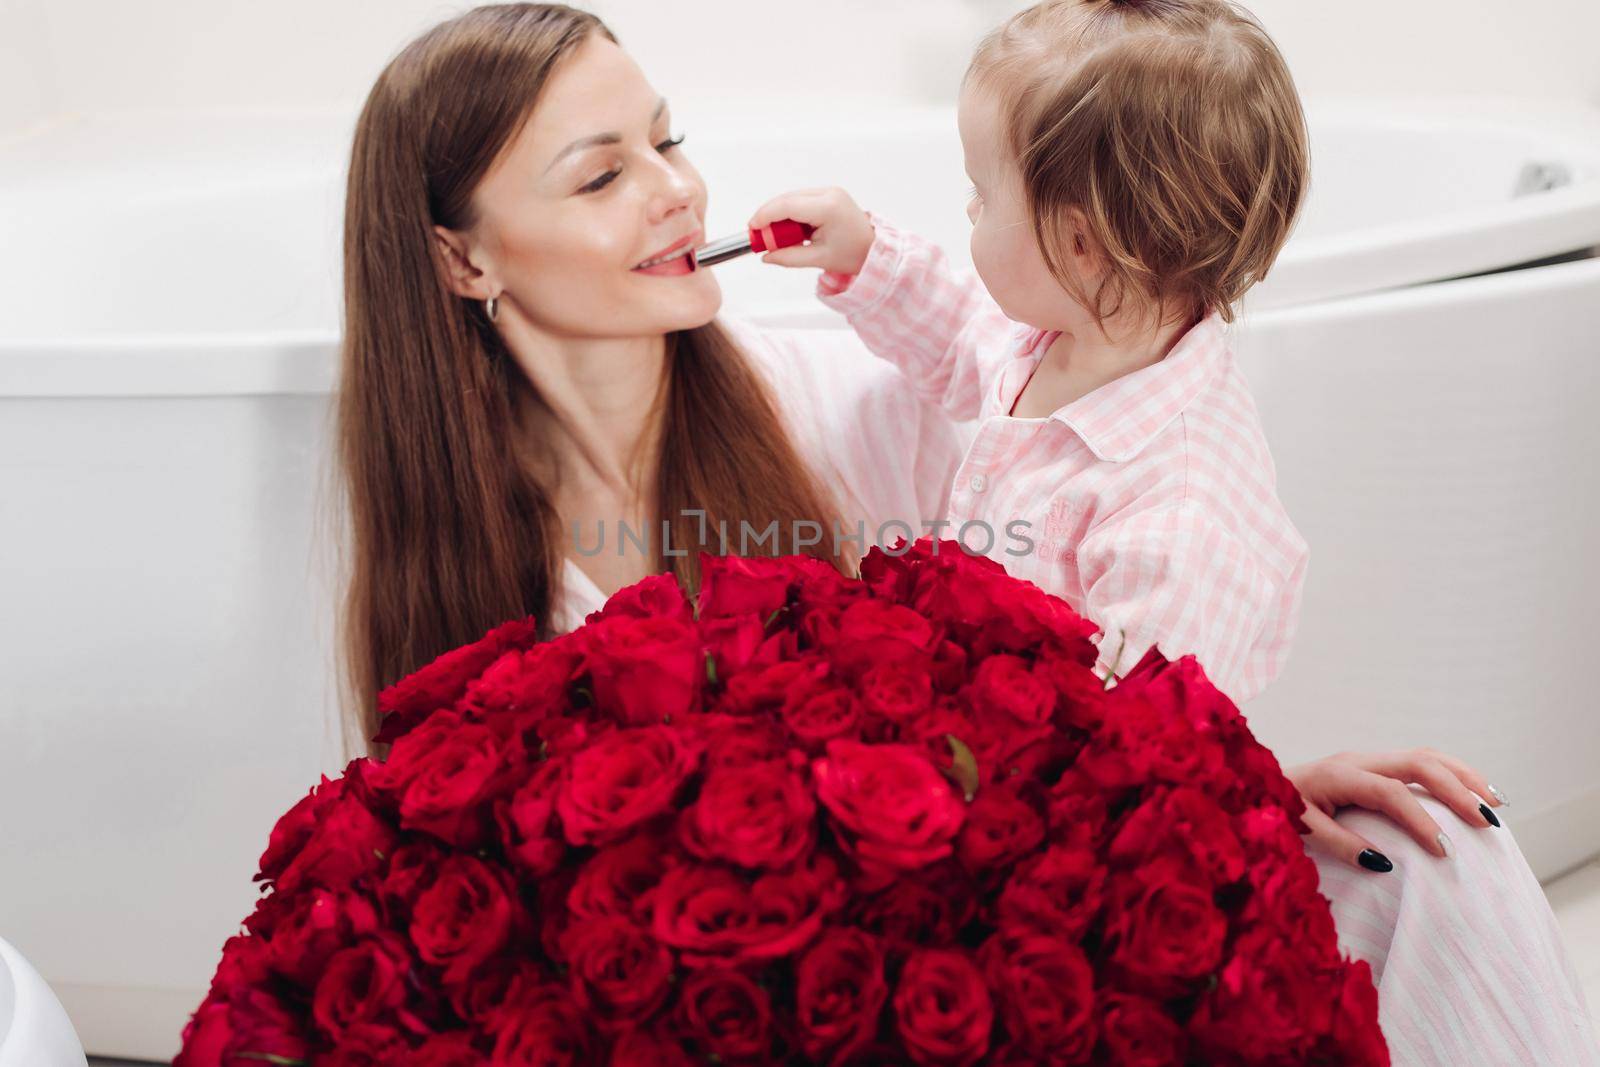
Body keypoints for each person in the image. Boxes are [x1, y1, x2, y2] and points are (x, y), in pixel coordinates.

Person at [329, 4, 1599, 1060]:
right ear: (460, 263)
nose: (678, 192)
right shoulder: (463, 566)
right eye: (605, 174)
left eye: (669, 141)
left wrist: (1245, 790)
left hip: (992, 907)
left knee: (1434, 866)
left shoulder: (838, 411)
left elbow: (1112, 674)